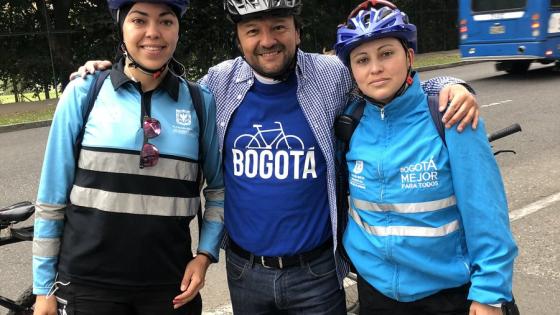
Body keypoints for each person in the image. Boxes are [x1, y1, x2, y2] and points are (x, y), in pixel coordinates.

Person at [70, 1, 480, 313]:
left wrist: (449, 84)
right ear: (239, 39)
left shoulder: (330, 75)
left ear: (297, 32)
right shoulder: (218, 83)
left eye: (278, 27)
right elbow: (161, 90)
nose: (267, 40)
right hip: (246, 272)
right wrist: (102, 76)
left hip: (316, 273)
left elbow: (381, 81)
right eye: (253, 30)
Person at [32, 1, 224, 315]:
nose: (153, 33)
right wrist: (43, 291)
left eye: (166, 21)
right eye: (139, 20)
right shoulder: (84, 93)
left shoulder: (200, 102)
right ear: (121, 27)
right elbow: (51, 200)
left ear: (177, 30)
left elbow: (218, 190)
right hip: (87, 287)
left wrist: (204, 256)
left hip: (170, 288)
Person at [334, 1, 518, 314]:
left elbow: (486, 212)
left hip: (447, 294)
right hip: (377, 293)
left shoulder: (448, 114)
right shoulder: (350, 124)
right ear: (352, 70)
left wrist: (489, 292)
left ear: (408, 57)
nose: (375, 68)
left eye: (386, 53)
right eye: (362, 59)